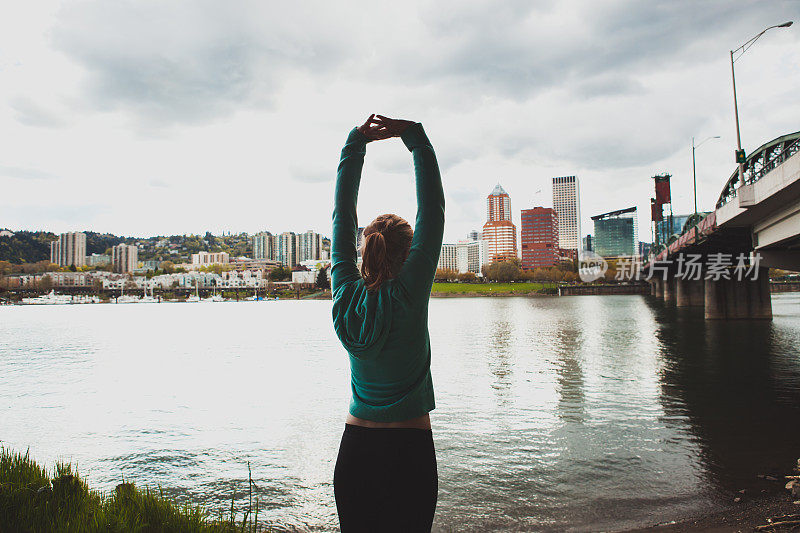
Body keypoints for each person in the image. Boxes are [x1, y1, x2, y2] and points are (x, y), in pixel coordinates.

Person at [330, 114, 445, 532]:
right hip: (410, 449)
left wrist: (355, 144)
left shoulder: (344, 292)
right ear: (410, 254)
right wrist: (413, 136)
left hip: (355, 450)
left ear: (363, 251)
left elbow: (341, 215)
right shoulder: (410, 293)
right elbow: (433, 207)